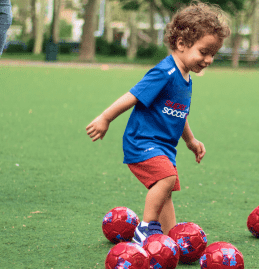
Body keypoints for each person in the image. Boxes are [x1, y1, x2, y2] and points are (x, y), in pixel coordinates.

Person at [86, 2, 231, 245]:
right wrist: (105, 118)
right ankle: (145, 229)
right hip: (142, 141)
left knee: (166, 193)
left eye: (213, 54)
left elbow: (179, 114)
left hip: (164, 147)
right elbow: (132, 96)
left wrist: (191, 140)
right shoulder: (164, 72)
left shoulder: (186, 80)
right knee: (166, 179)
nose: (209, 59)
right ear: (182, 44)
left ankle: (169, 238)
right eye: (204, 51)